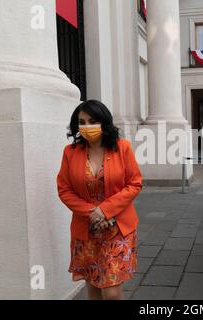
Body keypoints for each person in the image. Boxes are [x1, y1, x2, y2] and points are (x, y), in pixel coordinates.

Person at [57, 100, 143, 300]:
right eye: (82, 122)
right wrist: (92, 213)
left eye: (92, 121)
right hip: (86, 228)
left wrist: (105, 210)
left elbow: (135, 183)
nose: (87, 126)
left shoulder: (122, 148)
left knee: (111, 292)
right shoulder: (70, 153)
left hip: (117, 227)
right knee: (94, 286)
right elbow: (64, 189)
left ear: (104, 122)